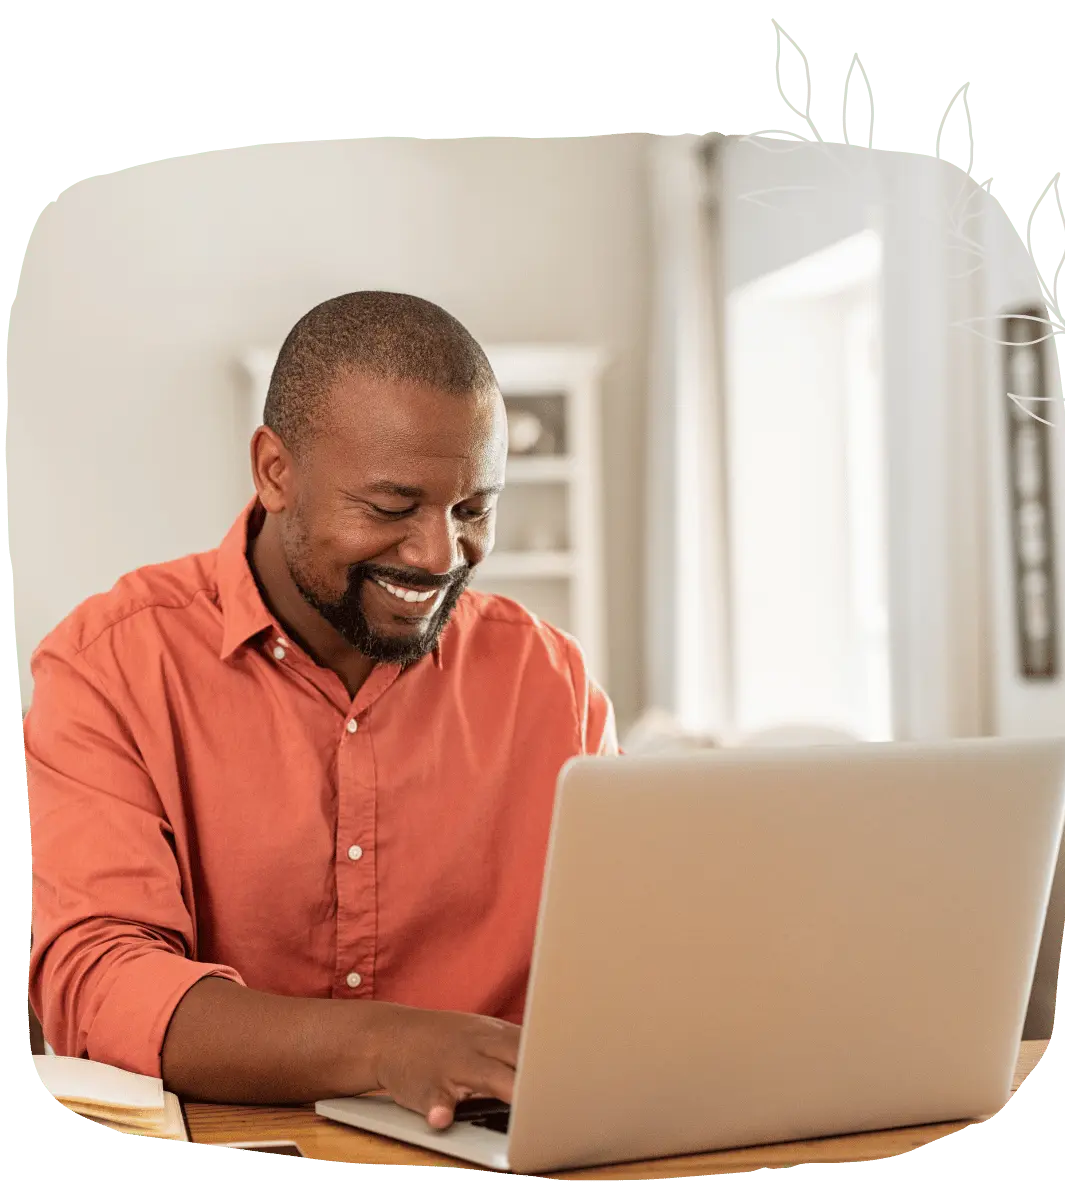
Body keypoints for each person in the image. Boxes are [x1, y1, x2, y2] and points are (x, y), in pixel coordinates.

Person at [24, 292, 619, 1131]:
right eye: (391, 508)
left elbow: (620, 967)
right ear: (275, 470)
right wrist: (386, 1046)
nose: (439, 555)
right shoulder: (110, 665)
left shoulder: (551, 682)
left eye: (474, 509)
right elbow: (99, 979)